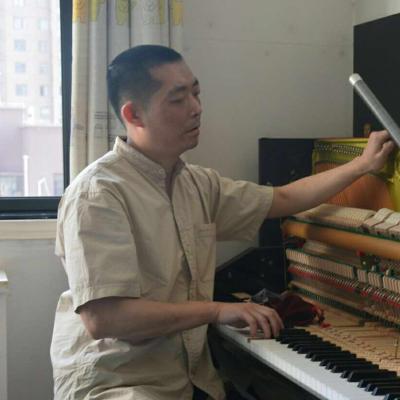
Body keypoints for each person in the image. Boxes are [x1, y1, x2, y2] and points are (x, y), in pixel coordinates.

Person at [50, 45, 394, 400]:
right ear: (134, 114)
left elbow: (283, 199)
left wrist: (363, 164)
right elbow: (106, 318)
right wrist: (217, 310)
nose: (196, 108)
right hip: (118, 383)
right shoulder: (98, 194)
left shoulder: (196, 184)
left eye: (196, 93)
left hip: (188, 379)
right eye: (178, 99)